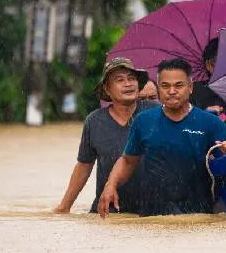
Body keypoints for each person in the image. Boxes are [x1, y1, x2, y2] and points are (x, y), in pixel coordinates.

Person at [97, 58, 226, 218]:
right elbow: (128, 161)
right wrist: (111, 185)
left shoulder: (211, 123)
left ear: (190, 87)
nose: (172, 91)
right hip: (151, 219)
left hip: (198, 219)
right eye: (165, 86)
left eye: (179, 85)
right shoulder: (144, 121)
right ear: (158, 89)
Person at [53, 58, 158, 214]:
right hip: (108, 211)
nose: (128, 83)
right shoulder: (94, 121)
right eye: (120, 80)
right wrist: (64, 206)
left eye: (131, 78)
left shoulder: (157, 113)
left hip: (150, 211)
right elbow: (84, 166)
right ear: (107, 89)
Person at [190, 37, 226, 136]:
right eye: (225, 61)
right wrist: (202, 118)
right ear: (209, 65)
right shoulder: (193, 92)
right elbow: (186, 131)